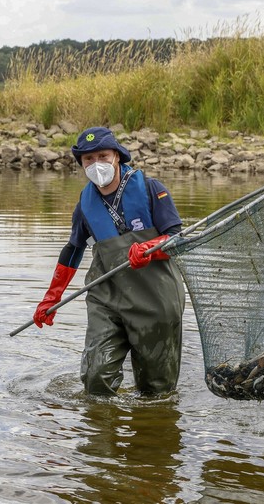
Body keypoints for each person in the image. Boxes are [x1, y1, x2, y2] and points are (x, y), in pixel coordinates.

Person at [33, 126, 185, 396]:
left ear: (117, 156)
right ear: (81, 163)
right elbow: (73, 249)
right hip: (108, 297)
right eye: (88, 159)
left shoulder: (152, 190)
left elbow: (178, 239)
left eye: (102, 156)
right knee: (96, 378)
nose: (96, 164)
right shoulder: (85, 204)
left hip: (156, 301)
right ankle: (100, 430)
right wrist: (51, 298)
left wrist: (151, 247)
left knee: (156, 392)